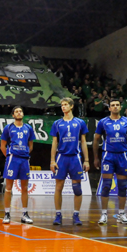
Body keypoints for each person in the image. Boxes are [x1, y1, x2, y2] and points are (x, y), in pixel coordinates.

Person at [93, 98, 127, 225]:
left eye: (117, 105)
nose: (115, 106)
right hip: (108, 156)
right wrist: (96, 157)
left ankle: (121, 214)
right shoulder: (103, 122)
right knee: (106, 185)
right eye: (113, 105)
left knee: (122, 186)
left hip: (122, 156)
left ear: (120, 107)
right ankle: (104, 214)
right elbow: (96, 139)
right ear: (109, 108)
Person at [50, 97, 90, 226]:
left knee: (77, 188)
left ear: (71, 106)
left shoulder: (80, 122)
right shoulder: (57, 123)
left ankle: (76, 215)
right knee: (58, 187)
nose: (63, 107)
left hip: (75, 158)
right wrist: (52, 160)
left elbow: (83, 141)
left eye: (66, 104)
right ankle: (58, 215)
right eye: (62, 105)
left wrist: (87, 160)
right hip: (61, 157)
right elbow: (54, 142)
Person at [0, 106, 36, 224]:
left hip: (24, 160)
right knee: (8, 188)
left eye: (20, 111)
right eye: (16, 111)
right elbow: (2, 146)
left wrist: (24, 153)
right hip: (12, 159)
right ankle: (7, 214)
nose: (19, 113)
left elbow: (31, 146)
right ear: (13, 115)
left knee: (24, 188)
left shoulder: (28, 128)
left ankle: (25, 214)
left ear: (23, 114)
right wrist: (10, 156)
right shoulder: (8, 128)